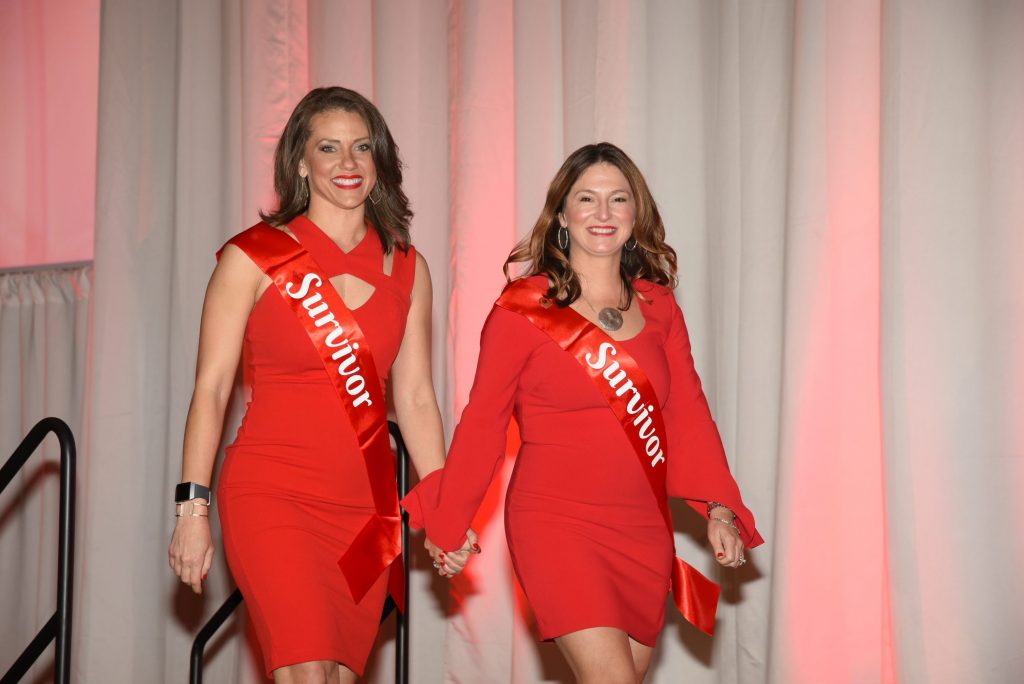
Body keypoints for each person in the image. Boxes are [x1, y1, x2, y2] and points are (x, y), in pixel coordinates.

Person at [401, 142, 763, 683]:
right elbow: (482, 424)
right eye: (586, 199)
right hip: (556, 522)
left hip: (642, 527)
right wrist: (448, 524)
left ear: (635, 214)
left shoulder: (660, 308)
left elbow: (687, 414)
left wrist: (719, 508)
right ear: (562, 214)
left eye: (618, 199)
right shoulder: (523, 308)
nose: (602, 213)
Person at [167, 86, 474, 684]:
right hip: (272, 492)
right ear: (301, 163)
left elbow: (413, 398)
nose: (348, 163)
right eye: (328, 148)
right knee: (305, 670)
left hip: (365, 509)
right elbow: (210, 390)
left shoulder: (410, 266)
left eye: (362, 147)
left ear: (379, 159)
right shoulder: (253, 258)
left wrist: (440, 509)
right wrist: (191, 508)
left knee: (337, 674)